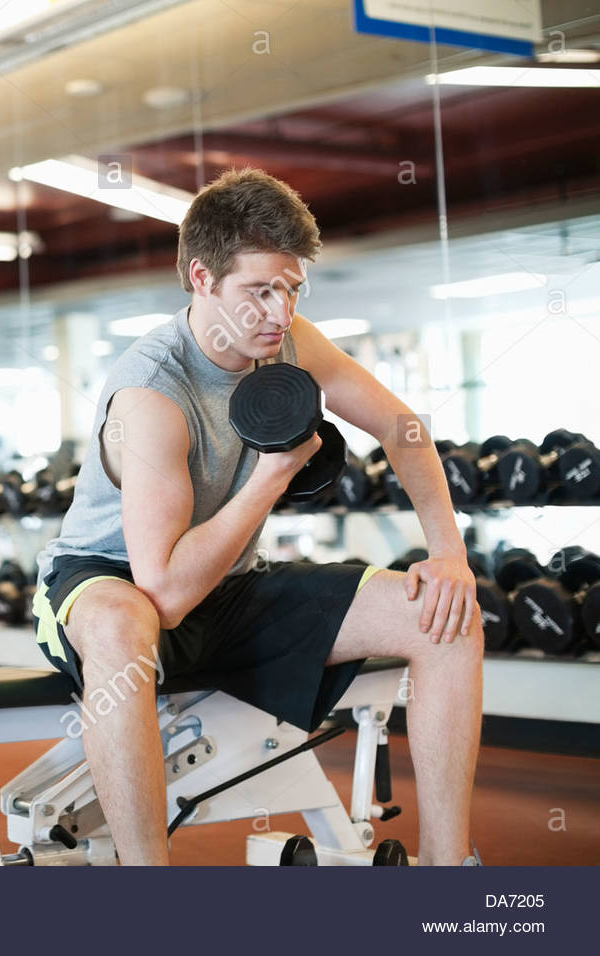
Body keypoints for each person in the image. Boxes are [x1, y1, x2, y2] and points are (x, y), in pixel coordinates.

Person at [32, 168, 482, 866]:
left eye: (293, 287)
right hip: (113, 578)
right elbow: (167, 592)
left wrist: (447, 553)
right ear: (202, 279)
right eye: (260, 290)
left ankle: (451, 873)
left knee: (445, 613)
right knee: (126, 624)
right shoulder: (154, 390)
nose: (279, 310)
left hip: (228, 578)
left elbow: (404, 427)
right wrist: (272, 475)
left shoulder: (291, 337)